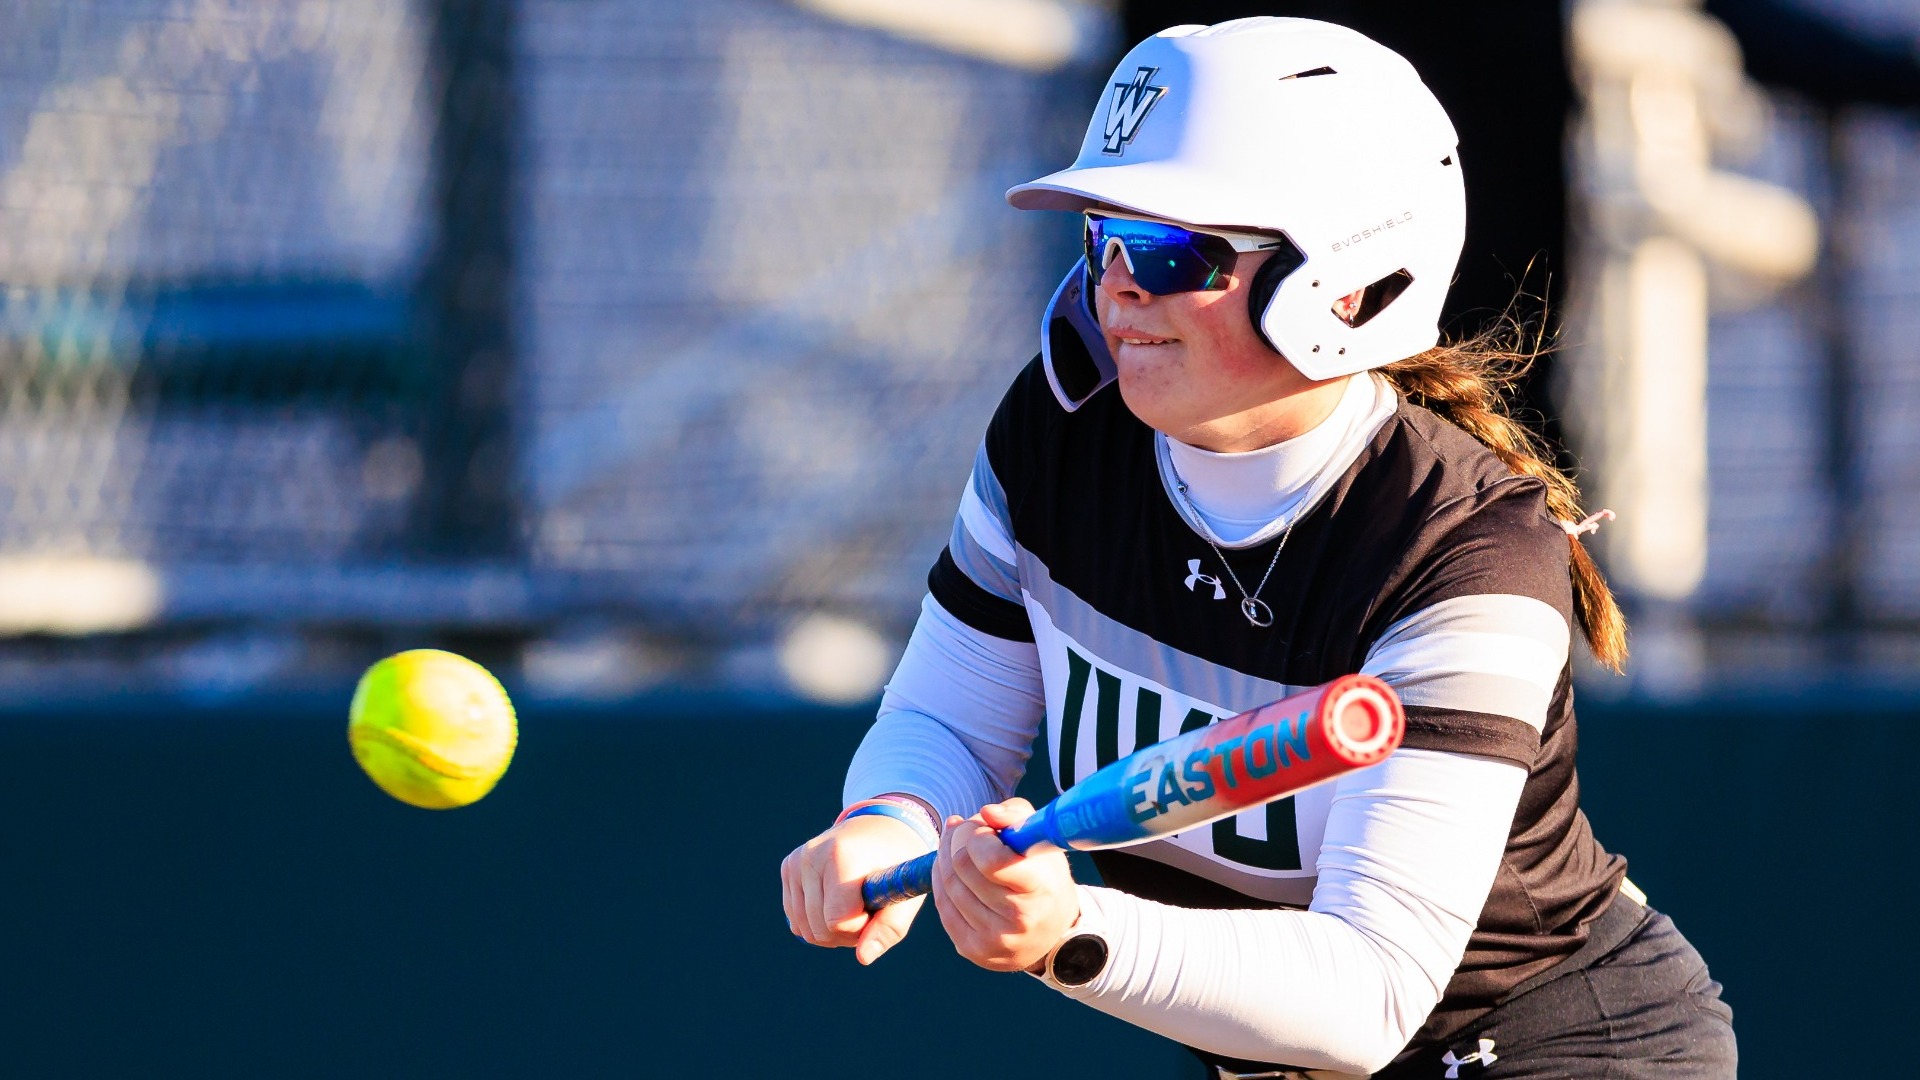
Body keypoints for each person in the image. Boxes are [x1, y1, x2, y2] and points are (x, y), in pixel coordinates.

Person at [780, 17, 1736, 1079]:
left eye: (1174, 251)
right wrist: (891, 817)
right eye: (1102, 239)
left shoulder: (1467, 550)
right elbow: (950, 722)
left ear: (1349, 284)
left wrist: (1068, 932)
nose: (1119, 286)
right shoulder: (1060, 432)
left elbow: (1368, 994)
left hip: (1552, 1050)